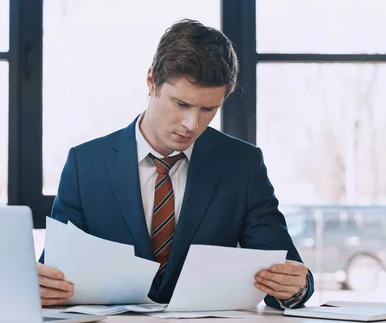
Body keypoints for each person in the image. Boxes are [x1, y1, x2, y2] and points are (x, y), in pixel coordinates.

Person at [37, 19, 314, 309]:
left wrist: (294, 286)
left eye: (208, 109)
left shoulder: (242, 165)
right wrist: (40, 285)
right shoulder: (86, 164)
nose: (192, 124)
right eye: (181, 104)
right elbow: (55, 271)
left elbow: (286, 270)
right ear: (151, 82)